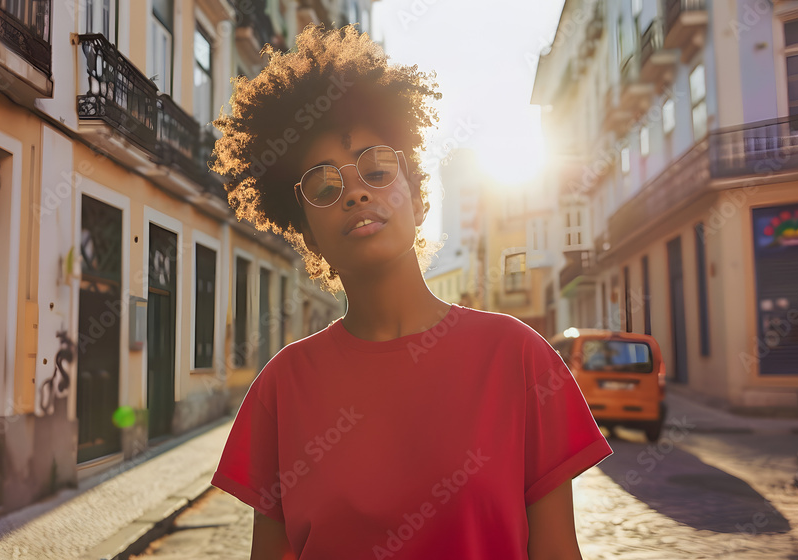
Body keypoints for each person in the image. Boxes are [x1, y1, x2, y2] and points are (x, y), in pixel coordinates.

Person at [209, 24, 612, 560]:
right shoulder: (281, 391)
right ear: (305, 231)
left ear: (419, 199)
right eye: (325, 188)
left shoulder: (518, 359)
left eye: (376, 171)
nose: (354, 191)